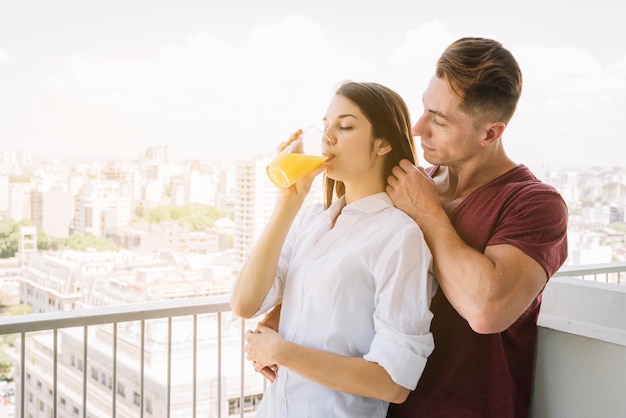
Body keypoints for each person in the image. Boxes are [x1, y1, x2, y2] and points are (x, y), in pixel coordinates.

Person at [385, 37, 569, 418]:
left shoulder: (534, 203)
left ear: (490, 133)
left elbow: (487, 310)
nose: (419, 129)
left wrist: (428, 214)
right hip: (383, 405)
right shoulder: (415, 185)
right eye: (424, 109)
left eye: (439, 120)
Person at [229, 81, 436, 418]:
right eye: (325, 127)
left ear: (383, 143)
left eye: (345, 126)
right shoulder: (312, 219)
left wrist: (281, 352)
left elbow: (392, 383)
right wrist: (288, 201)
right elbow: (244, 303)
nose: (327, 138)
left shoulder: (399, 236)